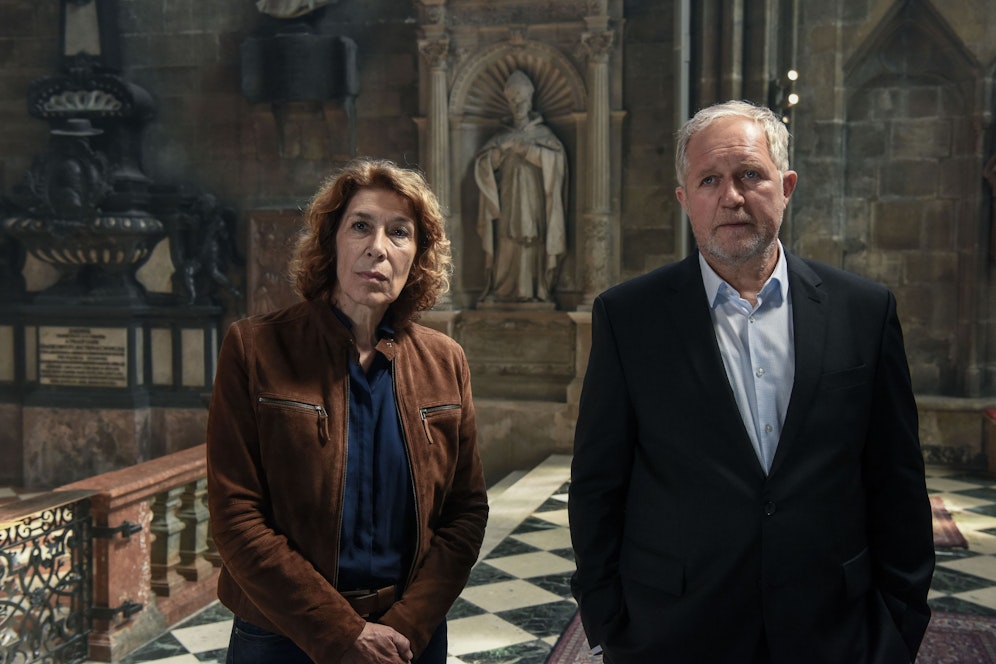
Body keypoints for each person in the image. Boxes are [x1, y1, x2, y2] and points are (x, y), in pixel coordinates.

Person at [568, 100, 934, 663]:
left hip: (832, 628)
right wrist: (609, 620)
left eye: (750, 175)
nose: (731, 197)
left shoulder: (862, 310)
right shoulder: (629, 318)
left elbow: (897, 479)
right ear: (684, 200)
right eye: (709, 180)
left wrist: (899, 622)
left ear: (785, 186)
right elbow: (598, 483)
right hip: (675, 632)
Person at [206, 158, 489, 663]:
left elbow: (465, 515)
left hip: (408, 639)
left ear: (417, 256)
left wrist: (405, 626)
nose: (377, 247)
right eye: (360, 226)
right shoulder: (255, 349)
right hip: (283, 635)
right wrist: (343, 633)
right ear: (331, 241)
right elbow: (236, 517)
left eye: (399, 232)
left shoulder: (445, 361)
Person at [474, 69, 567, 304]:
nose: (518, 106)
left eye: (522, 101)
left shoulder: (543, 134)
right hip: (507, 197)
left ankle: (534, 289)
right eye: (514, 102)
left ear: (530, 102)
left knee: (531, 238)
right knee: (506, 238)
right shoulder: (501, 136)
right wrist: (501, 151)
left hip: (534, 197)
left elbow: (557, 161)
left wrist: (526, 150)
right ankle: (503, 289)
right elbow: (484, 164)